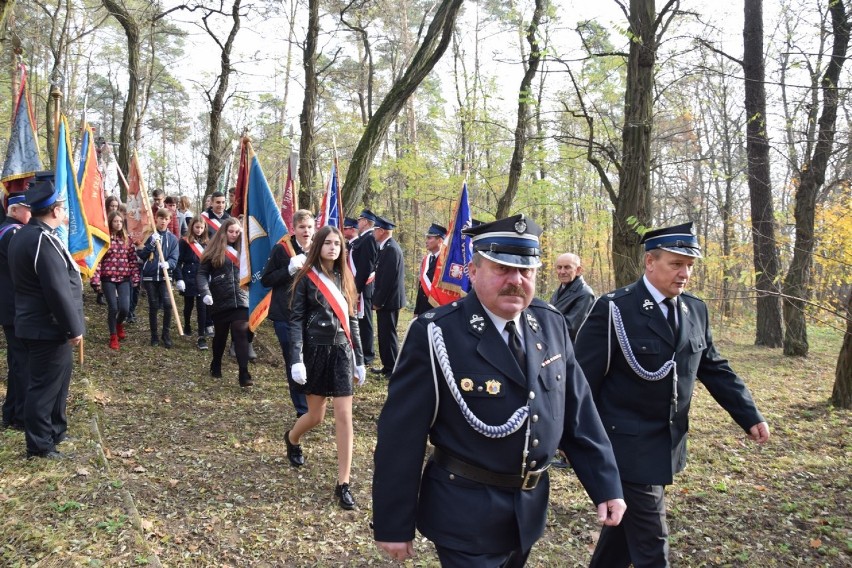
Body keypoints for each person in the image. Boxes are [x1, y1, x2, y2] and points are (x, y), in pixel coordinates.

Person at [372, 214, 625, 566]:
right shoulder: (438, 333)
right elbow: (401, 435)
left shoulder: (550, 323)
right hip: (464, 511)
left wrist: (606, 484)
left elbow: (578, 412)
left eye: (526, 271)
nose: (515, 281)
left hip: (528, 509)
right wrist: (393, 523)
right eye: (502, 269)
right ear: (473, 273)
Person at [574, 221, 771, 568]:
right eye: (676, 264)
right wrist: (576, 437)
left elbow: (713, 367)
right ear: (651, 262)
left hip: (666, 443)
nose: (685, 274)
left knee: (620, 538)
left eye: (690, 266)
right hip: (624, 446)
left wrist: (749, 414)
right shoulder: (615, 309)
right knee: (652, 543)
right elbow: (582, 380)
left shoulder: (694, 309)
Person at [284, 225, 367, 510]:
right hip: (315, 351)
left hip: (342, 352)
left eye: (338, 243)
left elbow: (352, 319)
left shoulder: (346, 277)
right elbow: (295, 320)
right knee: (316, 417)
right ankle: (292, 437)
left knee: (344, 416)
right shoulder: (305, 278)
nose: (333, 248)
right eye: (328, 243)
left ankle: (343, 482)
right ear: (318, 245)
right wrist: (296, 358)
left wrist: (360, 358)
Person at [8, 178, 85, 459]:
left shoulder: (30, 235)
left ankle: (56, 430)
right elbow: (56, 289)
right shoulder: (40, 239)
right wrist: (73, 327)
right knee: (43, 387)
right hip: (46, 327)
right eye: (63, 208)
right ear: (54, 211)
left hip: (43, 325)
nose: (65, 212)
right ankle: (39, 445)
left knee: (58, 382)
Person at [260, 209, 314, 418]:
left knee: (310, 358)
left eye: (309, 227)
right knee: (294, 358)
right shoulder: (282, 249)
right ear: (294, 228)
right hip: (286, 314)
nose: (306, 231)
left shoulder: (319, 249)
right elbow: (267, 279)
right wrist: (288, 270)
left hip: (312, 314)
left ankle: (312, 399)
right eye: (302, 227)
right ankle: (302, 410)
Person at [197, 218, 253, 387]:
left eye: (237, 232)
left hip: (242, 298)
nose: (234, 235)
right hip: (220, 298)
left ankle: (244, 373)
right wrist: (205, 292)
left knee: (240, 331)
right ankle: (216, 363)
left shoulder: (245, 251)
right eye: (231, 232)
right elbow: (201, 274)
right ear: (223, 232)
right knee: (220, 336)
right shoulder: (213, 250)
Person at [0, 193, 32, 430]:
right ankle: (20, 415)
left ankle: (11, 412)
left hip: (11, 306)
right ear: (15, 210)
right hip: (14, 307)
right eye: (28, 209)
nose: (31, 214)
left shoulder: (9, 229)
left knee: (17, 361)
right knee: (22, 362)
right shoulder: (12, 233)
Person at [91, 211, 141, 350]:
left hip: (124, 278)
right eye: (115, 221)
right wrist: (95, 280)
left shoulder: (127, 239)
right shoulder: (104, 239)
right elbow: (98, 261)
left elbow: (132, 260)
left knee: (124, 308)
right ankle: (113, 335)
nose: (118, 224)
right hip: (108, 278)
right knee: (113, 307)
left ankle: (119, 324)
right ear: (110, 222)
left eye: (120, 221)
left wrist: (135, 276)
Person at [137, 208, 179, 348]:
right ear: (156, 218)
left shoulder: (173, 239)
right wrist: (151, 244)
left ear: (169, 220)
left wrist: (169, 264)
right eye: (161, 218)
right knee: (153, 305)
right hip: (150, 276)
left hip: (164, 277)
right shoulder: (149, 235)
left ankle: (165, 335)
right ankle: (154, 336)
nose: (163, 221)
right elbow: (142, 255)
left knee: (168, 304)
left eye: (166, 219)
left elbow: (174, 257)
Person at [371, 215, 406, 376]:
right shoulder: (386, 247)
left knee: (388, 335)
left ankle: (392, 368)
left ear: (382, 231)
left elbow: (387, 279)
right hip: (387, 300)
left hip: (389, 301)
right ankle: (387, 366)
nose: (373, 233)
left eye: (375, 230)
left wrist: (379, 301)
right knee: (384, 335)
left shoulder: (391, 249)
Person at [175, 216, 210, 351]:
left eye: (202, 227)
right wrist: (179, 278)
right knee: (188, 305)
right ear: (192, 227)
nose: (199, 230)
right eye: (197, 227)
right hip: (188, 276)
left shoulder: (207, 242)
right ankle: (187, 324)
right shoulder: (184, 242)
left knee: (202, 307)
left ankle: (201, 335)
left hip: (202, 277)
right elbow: (178, 262)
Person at [350, 209, 379, 365]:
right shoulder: (363, 238)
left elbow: (365, 267)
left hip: (364, 287)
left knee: (365, 321)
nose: (358, 223)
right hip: (359, 285)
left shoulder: (369, 238)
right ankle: (360, 350)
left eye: (359, 220)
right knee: (360, 322)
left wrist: (357, 289)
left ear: (366, 222)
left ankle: (367, 355)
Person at [550, 252, 595, 341]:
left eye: (567, 267)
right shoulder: (560, 290)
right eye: (559, 267)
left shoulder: (585, 293)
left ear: (578, 270)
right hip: (556, 342)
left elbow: (571, 328)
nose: (562, 272)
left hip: (572, 348)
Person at [413, 223, 447, 316]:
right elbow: (421, 287)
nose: (426, 241)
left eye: (429, 238)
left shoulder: (445, 261)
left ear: (439, 240)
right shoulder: (426, 259)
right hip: (423, 309)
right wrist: (416, 311)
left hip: (436, 310)